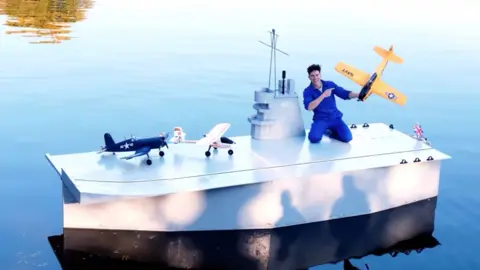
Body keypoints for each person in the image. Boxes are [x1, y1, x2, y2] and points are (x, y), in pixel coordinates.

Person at [302, 64, 360, 144]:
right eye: (312, 76)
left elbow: (344, 94)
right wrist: (323, 95)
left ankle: (330, 132)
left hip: (335, 118)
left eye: (317, 75)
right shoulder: (307, 91)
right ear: (309, 77)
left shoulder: (330, 85)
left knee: (347, 138)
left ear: (320, 75)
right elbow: (309, 107)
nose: (315, 78)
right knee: (314, 138)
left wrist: (359, 95)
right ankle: (323, 129)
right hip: (321, 119)